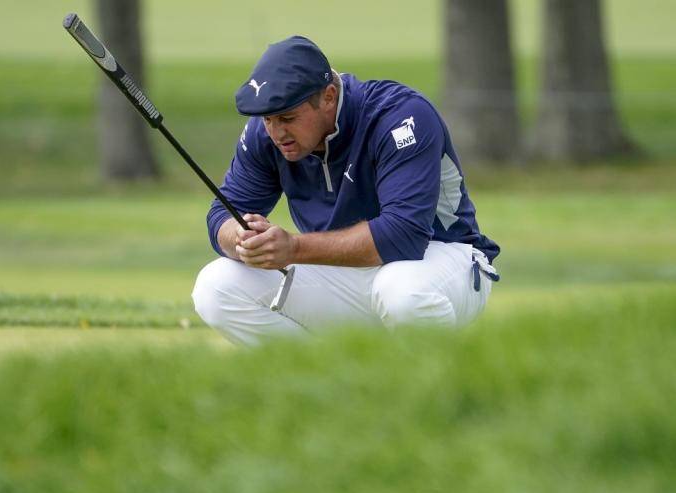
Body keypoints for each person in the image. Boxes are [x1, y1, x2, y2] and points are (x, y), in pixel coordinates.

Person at [192, 36, 500, 345]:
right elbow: (223, 213)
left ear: (328, 97)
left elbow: (404, 234)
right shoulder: (266, 134)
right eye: (268, 119)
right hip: (339, 269)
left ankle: (430, 389)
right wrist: (243, 239)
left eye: (287, 118)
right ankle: (330, 385)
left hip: (444, 258)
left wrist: (293, 248)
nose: (276, 132)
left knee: (401, 290)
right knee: (215, 286)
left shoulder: (399, 116)